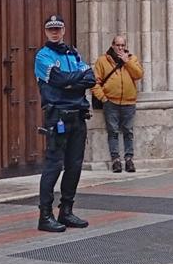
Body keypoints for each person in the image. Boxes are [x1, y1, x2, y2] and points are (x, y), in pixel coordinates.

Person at [34, 14, 96, 233]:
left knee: (75, 164)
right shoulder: (43, 56)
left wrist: (71, 83)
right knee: (54, 165)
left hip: (78, 115)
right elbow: (58, 80)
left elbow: (91, 78)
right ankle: (45, 215)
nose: (55, 32)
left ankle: (66, 210)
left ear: (63, 30)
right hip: (57, 116)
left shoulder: (73, 53)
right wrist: (74, 81)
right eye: (51, 29)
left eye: (58, 29)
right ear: (45, 32)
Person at [92, 34, 144, 173]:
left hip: (129, 102)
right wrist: (103, 98)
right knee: (113, 132)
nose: (120, 48)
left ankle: (129, 159)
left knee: (128, 131)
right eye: (117, 45)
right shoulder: (102, 61)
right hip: (111, 102)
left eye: (122, 45)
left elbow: (138, 74)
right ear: (112, 45)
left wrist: (127, 62)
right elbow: (94, 82)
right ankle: (115, 160)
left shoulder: (132, 59)